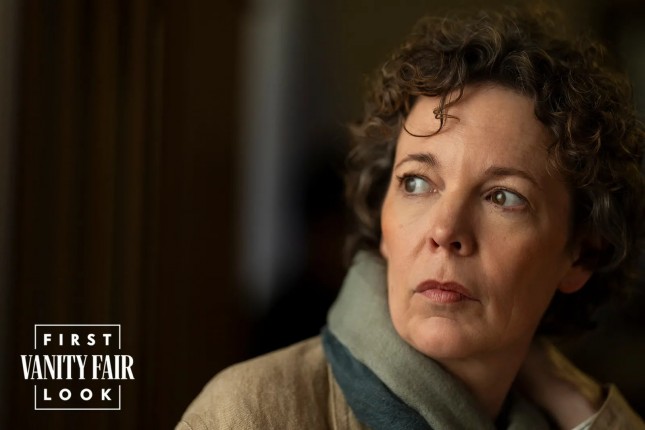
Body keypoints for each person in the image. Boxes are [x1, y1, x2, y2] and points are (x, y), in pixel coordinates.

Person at [177, 6, 645, 429]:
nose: (445, 230)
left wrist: (579, 406)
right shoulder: (247, 413)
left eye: (503, 197)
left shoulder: (562, 417)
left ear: (582, 254)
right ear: (381, 214)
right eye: (417, 183)